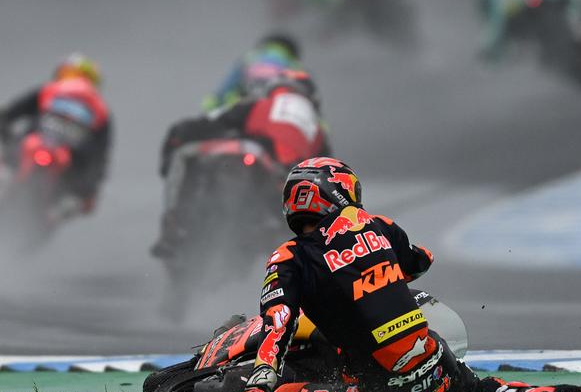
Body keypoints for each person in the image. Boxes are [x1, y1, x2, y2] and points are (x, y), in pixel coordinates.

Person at [235, 157, 581, 392]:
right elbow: (418, 261)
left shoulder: (287, 258)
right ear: (340, 191)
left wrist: (261, 380)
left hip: (377, 391)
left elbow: (278, 322)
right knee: (477, 391)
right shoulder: (380, 226)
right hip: (433, 359)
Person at [151, 69, 332, 259]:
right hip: (286, 179)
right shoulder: (319, 129)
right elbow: (328, 175)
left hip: (257, 161)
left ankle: (173, 224)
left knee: (185, 148)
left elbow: (216, 120)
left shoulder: (258, 103)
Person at [0, 53, 111, 224]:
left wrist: (8, 140)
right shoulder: (102, 111)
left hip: (45, 156)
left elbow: (8, 115)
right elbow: (100, 157)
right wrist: (90, 192)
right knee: (69, 205)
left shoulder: (48, 90)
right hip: (63, 166)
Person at [201, 34, 304, 113]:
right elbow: (305, 96)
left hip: (238, 109)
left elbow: (228, 85)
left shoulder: (250, 57)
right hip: (274, 114)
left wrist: (213, 101)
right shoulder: (295, 66)